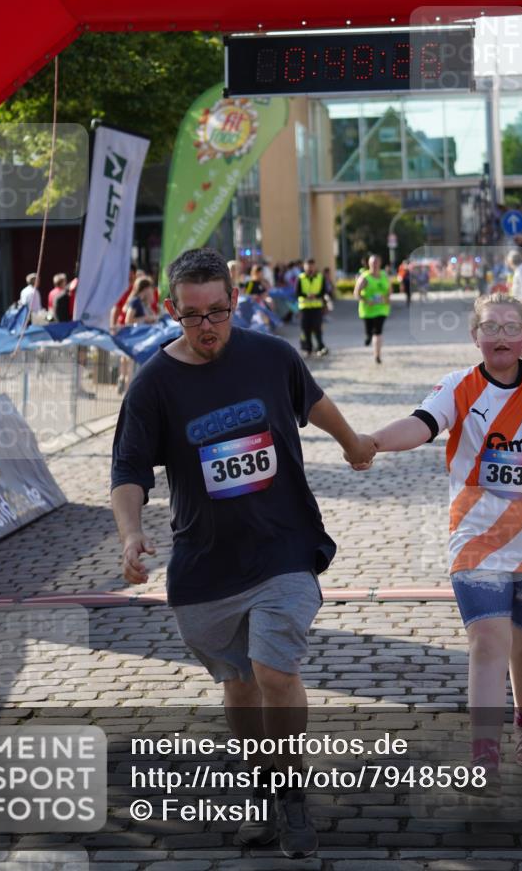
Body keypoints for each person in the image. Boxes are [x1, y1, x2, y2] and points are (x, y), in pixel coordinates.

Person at [111, 247, 375, 857]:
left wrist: (354, 442)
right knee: (237, 685)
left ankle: (291, 793)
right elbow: (127, 471)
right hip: (205, 563)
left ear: (236, 301)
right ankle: (262, 785)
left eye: (219, 312)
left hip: (283, 545)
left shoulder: (272, 356)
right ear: (171, 309)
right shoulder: (153, 383)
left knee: (274, 671)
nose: (207, 326)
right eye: (193, 315)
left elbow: (315, 402)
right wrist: (129, 533)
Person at [347, 292, 522, 795]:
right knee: (488, 642)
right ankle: (483, 756)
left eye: (513, 327)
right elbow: (419, 425)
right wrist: (373, 441)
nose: (502, 336)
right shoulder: (459, 386)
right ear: (475, 336)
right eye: (491, 327)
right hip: (477, 542)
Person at [353, 254, 390, 365]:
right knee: (369, 332)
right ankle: (368, 336)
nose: (374, 265)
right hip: (367, 310)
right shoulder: (365, 277)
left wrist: (387, 297)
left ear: (380, 263)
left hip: (381, 308)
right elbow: (356, 293)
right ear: (369, 264)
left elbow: (389, 289)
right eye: (372, 263)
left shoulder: (384, 275)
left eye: (376, 262)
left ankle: (377, 355)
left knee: (378, 332)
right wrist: (366, 301)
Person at [296, 257, 328, 357]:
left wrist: (316, 296)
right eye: (308, 266)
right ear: (304, 267)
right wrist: (306, 296)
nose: (310, 268)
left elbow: (324, 291)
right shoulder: (300, 278)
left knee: (317, 328)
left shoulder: (320, 277)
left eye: (312, 266)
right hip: (304, 307)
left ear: (315, 267)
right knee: (306, 329)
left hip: (317, 306)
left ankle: (320, 347)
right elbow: (297, 292)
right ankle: (308, 348)